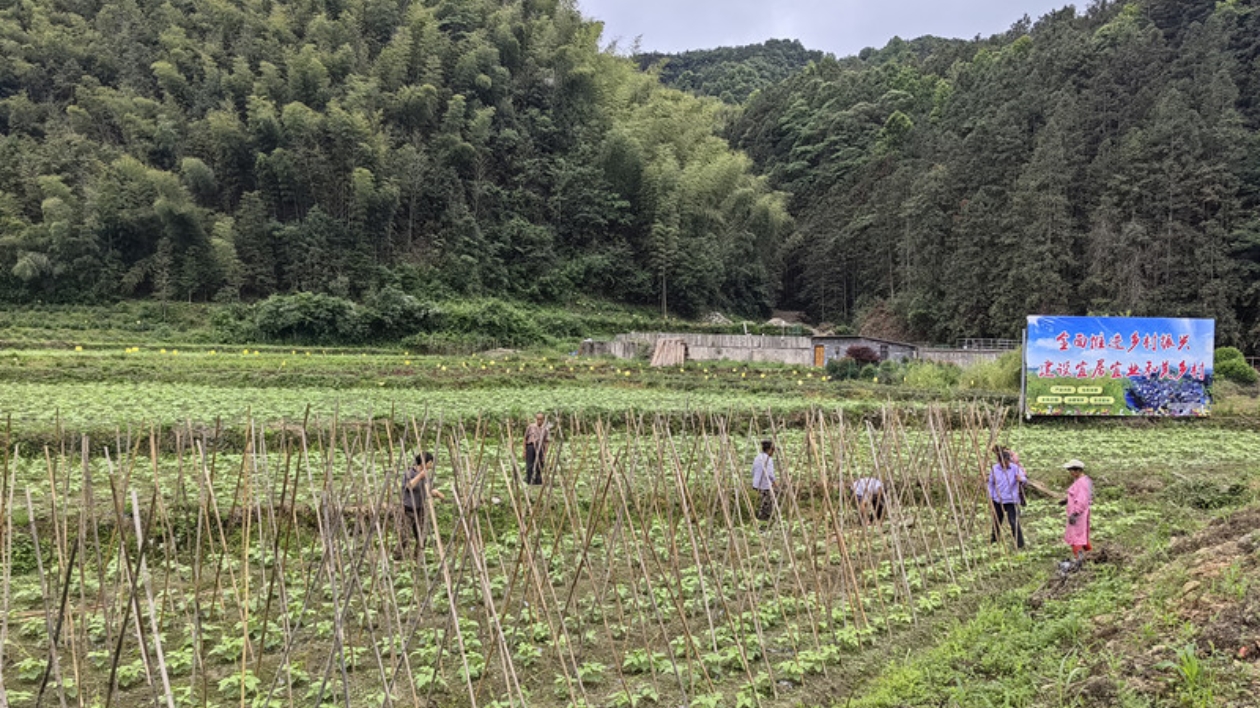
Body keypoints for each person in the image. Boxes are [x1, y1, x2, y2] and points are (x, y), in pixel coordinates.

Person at [400, 452, 446, 557]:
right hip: (408, 510)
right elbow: (409, 486)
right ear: (424, 463)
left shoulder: (426, 476)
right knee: (404, 537)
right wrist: (420, 476)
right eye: (430, 462)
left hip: (420, 509)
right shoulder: (409, 473)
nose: (431, 465)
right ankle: (397, 558)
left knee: (422, 537)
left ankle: (417, 558)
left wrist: (436, 493)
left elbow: (427, 489)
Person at [987, 446, 1027, 549]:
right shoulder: (995, 469)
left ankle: (1019, 543)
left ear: (1009, 460)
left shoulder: (1014, 468)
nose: (1005, 464)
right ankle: (994, 540)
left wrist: (1021, 479)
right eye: (1003, 463)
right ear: (999, 461)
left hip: (1011, 499)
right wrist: (991, 496)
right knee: (996, 521)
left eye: (1007, 462)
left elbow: (1024, 479)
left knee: (1013, 521)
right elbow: (991, 484)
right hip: (998, 499)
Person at [1060, 459, 1093, 570]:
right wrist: (1067, 500)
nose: (1070, 473)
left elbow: (1082, 500)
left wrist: (1075, 513)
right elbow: (1078, 496)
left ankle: (1080, 561)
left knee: (1076, 538)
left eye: (1071, 471)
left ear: (1077, 471)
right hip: (1080, 512)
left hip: (1078, 514)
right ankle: (1091, 556)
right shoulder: (1082, 481)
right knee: (1082, 536)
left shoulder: (1082, 483)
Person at [751, 439, 777, 523]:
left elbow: (752, 471)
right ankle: (764, 520)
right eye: (773, 450)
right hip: (765, 485)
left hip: (756, 484)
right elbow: (770, 473)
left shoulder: (757, 457)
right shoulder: (768, 459)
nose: (773, 453)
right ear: (769, 450)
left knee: (760, 502)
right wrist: (775, 482)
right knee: (766, 503)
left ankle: (760, 518)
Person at [523, 412, 549, 485]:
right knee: (529, 464)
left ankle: (538, 481)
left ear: (543, 420)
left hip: (540, 447)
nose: (539, 421)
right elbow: (525, 438)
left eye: (541, 419)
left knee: (540, 464)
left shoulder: (545, 429)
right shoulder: (530, 427)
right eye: (538, 419)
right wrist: (524, 450)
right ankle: (529, 480)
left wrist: (545, 454)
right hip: (531, 447)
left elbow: (546, 442)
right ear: (536, 419)